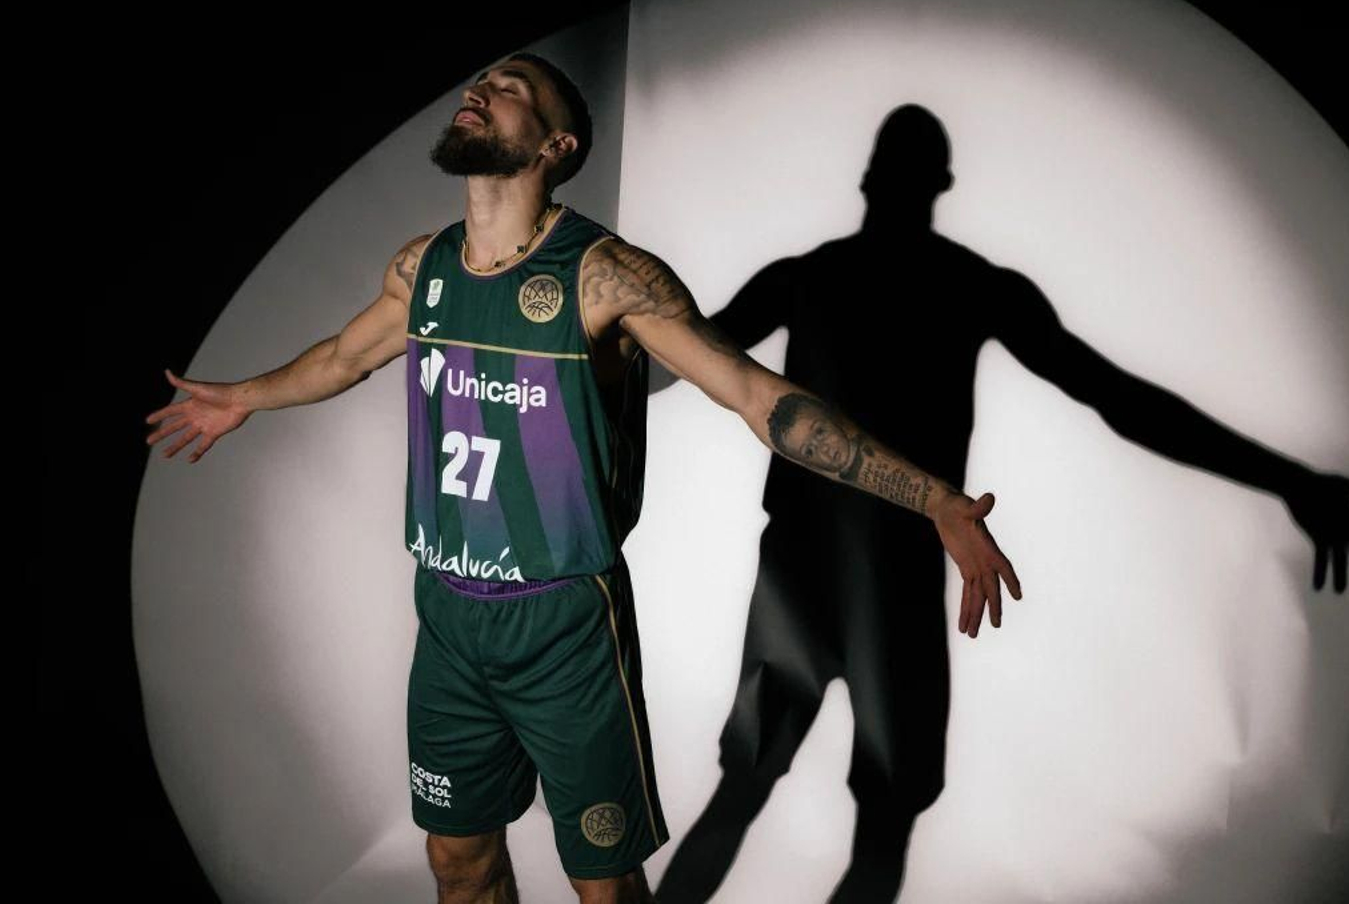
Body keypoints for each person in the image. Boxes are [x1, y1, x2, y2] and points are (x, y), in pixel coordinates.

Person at [144, 54, 1022, 904]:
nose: (481, 90)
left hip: (565, 624)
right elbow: (343, 356)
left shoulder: (605, 277)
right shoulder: (424, 268)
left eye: (511, 87)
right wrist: (243, 399)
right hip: (448, 619)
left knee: (602, 882)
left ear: (556, 147)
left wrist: (936, 497)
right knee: (456, 858)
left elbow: (758, 397)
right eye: (483, 80)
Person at [654, 104, 1349, 904]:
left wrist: (587, 332)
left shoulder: (822, 277)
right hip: (859, 583)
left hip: (828, 578)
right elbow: (1121, 398)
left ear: (871, 178)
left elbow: (660, 356)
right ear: (937, 185)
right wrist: (1291, 480)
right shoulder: (941, 285)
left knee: (783, 808)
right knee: (861, 828)